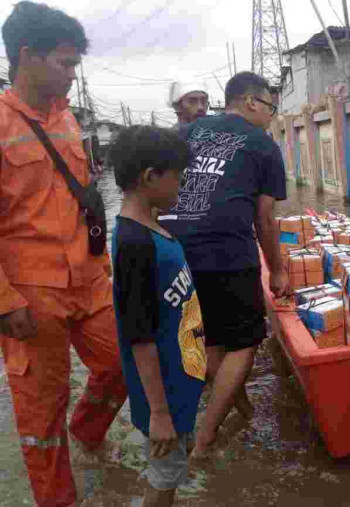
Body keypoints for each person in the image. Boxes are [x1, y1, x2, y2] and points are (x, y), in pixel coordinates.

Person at [0, 3, 127, 505]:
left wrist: (106, 268)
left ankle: (88, 433)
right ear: (27, 56)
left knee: (124, 366)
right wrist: (5, 302)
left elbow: (85, 199)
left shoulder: (70, 119)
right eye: (65, 63)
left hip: (90, 282)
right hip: (31, 297)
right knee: (40, 417)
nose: (73, 73)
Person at [159, 71, 287, 459]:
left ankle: (239, 408)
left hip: (172, 253)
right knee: (246, 342)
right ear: (251, 102)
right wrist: (277, 269)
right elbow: (264, 220)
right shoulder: (262, 145)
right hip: (227, 255)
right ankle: (205, 439)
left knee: (212, 339)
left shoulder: (184, 134)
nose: (271, 115)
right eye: (270, 106)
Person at [109, 125, 205, 507]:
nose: (180, 188)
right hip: (163, 394)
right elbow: (140, 335)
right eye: (177, 179)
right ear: (150, 177)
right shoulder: (134, 244)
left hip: (178, 381)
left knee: (171, 474)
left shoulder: (151, 227)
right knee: (162, 484)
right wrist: (159, 413)